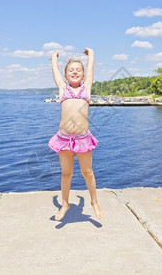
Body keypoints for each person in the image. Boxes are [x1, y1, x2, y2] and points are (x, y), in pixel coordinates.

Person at [48, 48, 103, 221]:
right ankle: (65, 204)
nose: (75, 72)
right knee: (66, 174)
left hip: (82, 139)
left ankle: (94, 202)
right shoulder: (63, 89)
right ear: (66, 76)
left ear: (83, 74)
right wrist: (54, 59)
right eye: (71, 70)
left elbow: (91, 69)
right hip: (64, 139)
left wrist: (91, 54)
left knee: (87, 172)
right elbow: (55, 72)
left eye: (78, 70)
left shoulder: (86, 88)